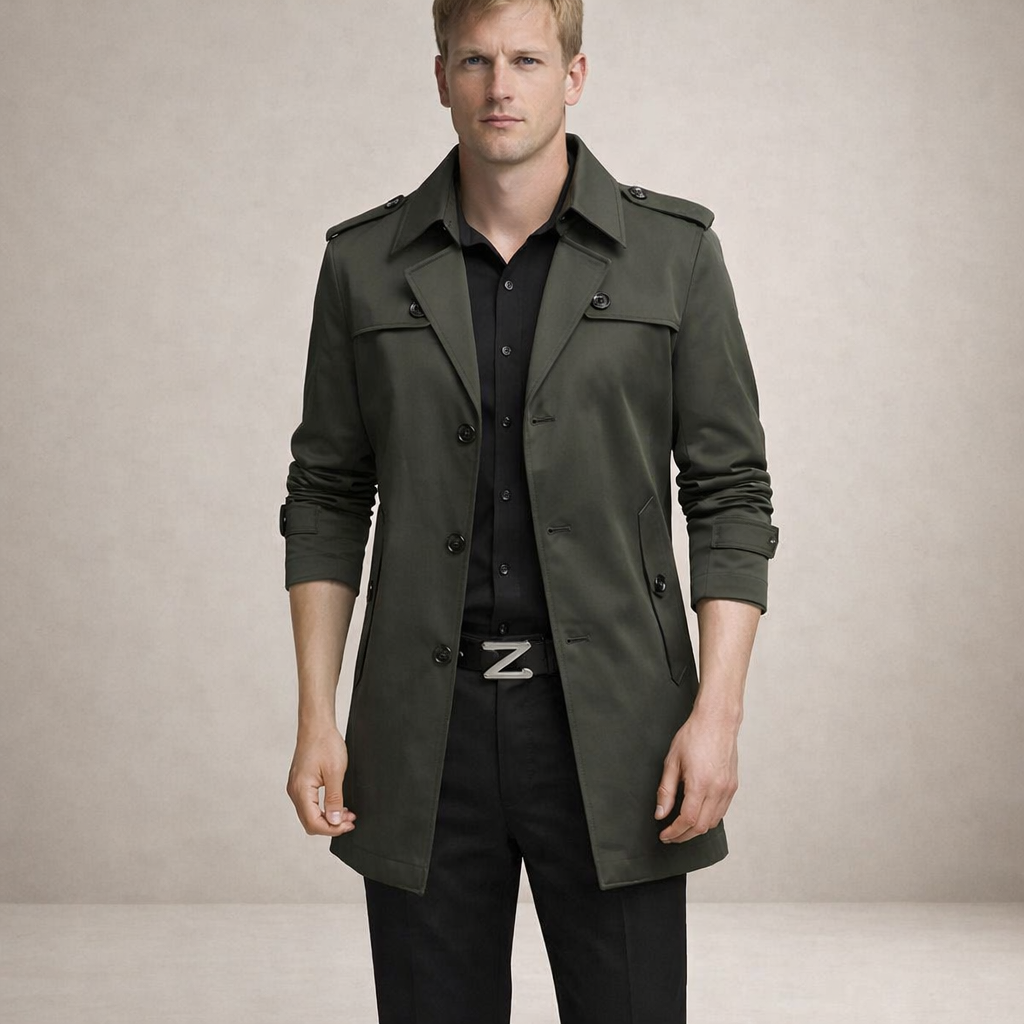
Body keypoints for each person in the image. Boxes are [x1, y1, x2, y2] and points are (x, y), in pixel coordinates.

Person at [280, 0, 779, 1020]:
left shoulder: (673, 254)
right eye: (474, 60)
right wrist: (317, 715)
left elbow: (729, 492)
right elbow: (326, 494)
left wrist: (717, 715)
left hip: (618, 728)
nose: (499, 85)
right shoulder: (362, 264)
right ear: (440, 78)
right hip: (425, 731)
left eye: (526, 59)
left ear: (574, 75)